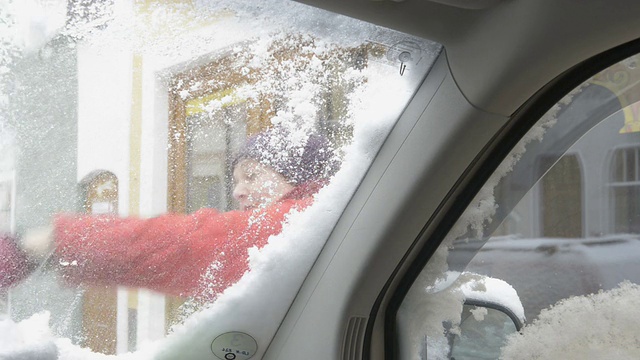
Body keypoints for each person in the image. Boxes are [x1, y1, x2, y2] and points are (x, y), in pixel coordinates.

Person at [0, 127, 338, 300]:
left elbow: (186, 245)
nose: (237, 191)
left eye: (252, 176)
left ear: (302, 178)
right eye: (234, 180)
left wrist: (42, 244)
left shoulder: (310, 221)